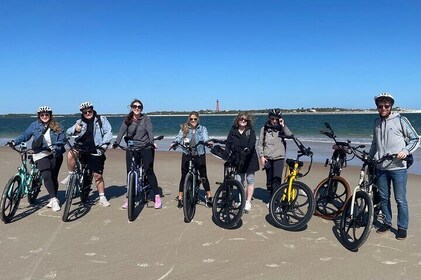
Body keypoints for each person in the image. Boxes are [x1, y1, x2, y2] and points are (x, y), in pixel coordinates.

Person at [369, 93, 419, 240]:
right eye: (380, 106)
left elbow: (415, 138)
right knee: (384, 198)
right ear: (377, 107)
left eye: (386, 105)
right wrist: (369, 158)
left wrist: (405, 151)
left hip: (398, 168)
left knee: (400, 199)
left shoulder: (400, 120)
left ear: (391, 106)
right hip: (381, 167)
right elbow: (374, 144)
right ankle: (386, 222)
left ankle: (402, 227)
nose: (383, 108)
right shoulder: (376, 122)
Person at [11, 106, 66, 211]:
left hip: (55, 153)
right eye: (42, 115)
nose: (44, 116)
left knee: (53, 177)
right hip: (40, 153)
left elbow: (62, 140)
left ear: (50, 115)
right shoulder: (34, 125)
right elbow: (25, 135)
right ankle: (54, 199)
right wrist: (14, 141)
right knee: (46, 174)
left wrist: (55, 148)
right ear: (39, 116)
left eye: (47, 114)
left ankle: (52, 197)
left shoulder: (57, 126)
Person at [112, 99, 163, 209]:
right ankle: (128, 197)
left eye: (139, 107)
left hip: (145, 146)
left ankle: (157, 197)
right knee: (130, 171)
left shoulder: (146, 119)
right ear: (131, 107)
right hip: (132, 147)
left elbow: (150, 131)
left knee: (149, 171)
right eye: (135, 106)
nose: (137, 108)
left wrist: (152, 142)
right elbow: (121, 132)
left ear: (141, 108)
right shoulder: (127, 119)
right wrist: (116, 142)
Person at [66, 102, 113, 207]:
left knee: (97, 175)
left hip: (96, 149)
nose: (88, 113)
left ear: (92, 110)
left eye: (89, 111)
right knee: (70, 153)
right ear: (82, 113)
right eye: (85, 112)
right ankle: (71, 175)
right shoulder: (80, 122)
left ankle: (102, 196)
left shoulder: (101, 120)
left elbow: (108, 132)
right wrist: (75, 129)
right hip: (81, 148)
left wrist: (104, 146)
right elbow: (68, 132)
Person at [170, 111, 213, 209]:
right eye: (191, 119)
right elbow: (179, 137)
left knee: (203, 175)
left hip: (199, 154)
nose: (193, 121)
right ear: (188, 120)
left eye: (195, 119)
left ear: (198, 119)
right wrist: (174, 143)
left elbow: (206, 138)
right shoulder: (184, 128)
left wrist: (208, 142)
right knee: (184, 175)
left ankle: (209, 196)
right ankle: (180, 198)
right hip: (187, 153)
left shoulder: (202, 129)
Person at [257, 109, 293, 203]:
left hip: (279, 157)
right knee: (269, 181)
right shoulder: (264, 129)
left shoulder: (282, 129)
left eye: (276, 119)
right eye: (272, 119)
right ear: (269, 118)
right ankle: (271, 195)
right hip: (267, 158)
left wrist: (283, 125)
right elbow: (260, 144)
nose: (274, 121)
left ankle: (275, 201)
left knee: (276, 180)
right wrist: (261, 156)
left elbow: (290, 135)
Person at [226, 112, 259, 212]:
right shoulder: (233, 130)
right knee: (239, 180)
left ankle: (248, 201)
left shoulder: (250, 131)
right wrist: (227, 153)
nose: (243, 121)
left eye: (245, 119)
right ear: (238, 120)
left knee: (250, 179)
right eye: (241, 119)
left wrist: (247, 149)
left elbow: (252, 143)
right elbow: (228, 143)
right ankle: (242, 200)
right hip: (238, 159)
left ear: (248, 121)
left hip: (250, 159)